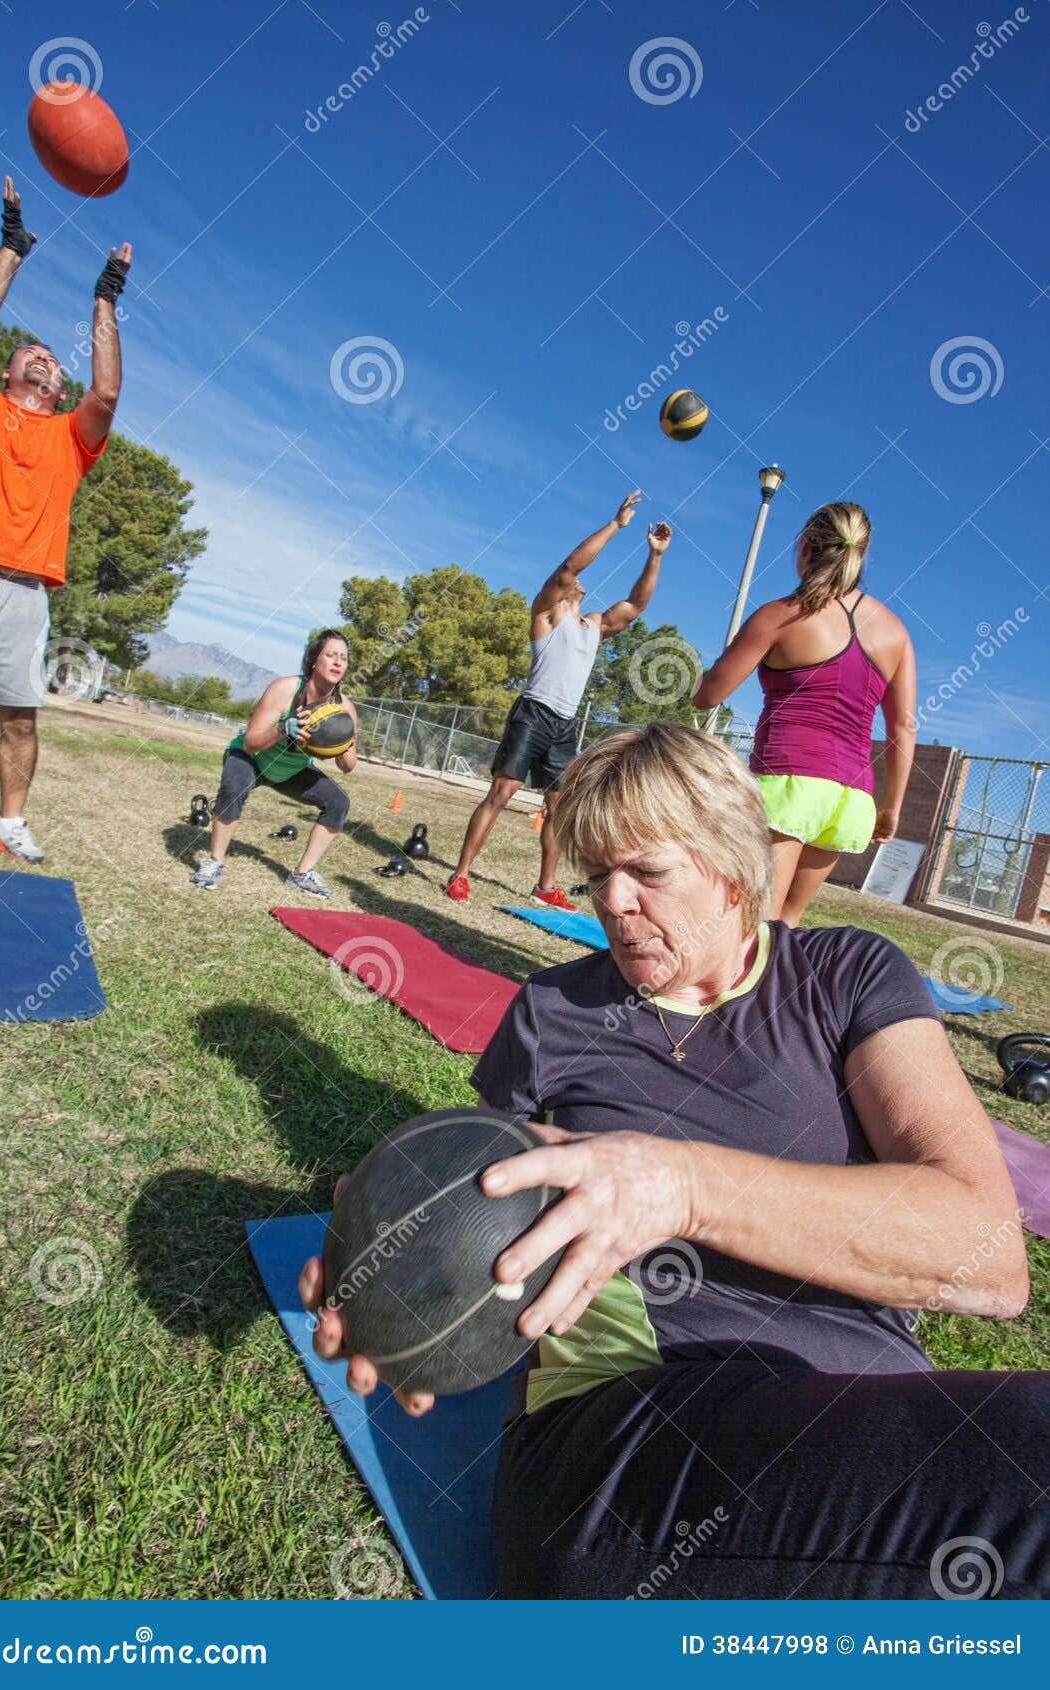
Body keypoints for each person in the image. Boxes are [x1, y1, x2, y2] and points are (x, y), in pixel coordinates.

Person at [300, 724, 1049, 1601]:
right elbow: (476, 1184)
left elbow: (988, 1259)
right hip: (632, 1446)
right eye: (593, 876)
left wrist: (678, 1187)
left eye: (646, 873)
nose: (610, 903)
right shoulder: (554, 1009)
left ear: (734, 866)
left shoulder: (847, 974)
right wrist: (391, 1250)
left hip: (870, 1413)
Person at [0, 177, 130, 863]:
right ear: (6, 370)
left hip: (22, 592)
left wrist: (105, 297)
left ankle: (10, 822)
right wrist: (11, 249)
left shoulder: (73, 437)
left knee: (18, 719)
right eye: (29, 352)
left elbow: (106, 389)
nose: (42, 353)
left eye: (51, 357)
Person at [692, 500, 915, 925]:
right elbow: (903, 724)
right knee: (786, 923)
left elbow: (709, 695)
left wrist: (701, 673)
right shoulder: (895, 630)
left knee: (754, 921)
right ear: (860, 554)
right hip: (853, 798)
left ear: (807, 546)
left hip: (789, 784)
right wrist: (891, 807)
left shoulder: (781, 615)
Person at [444, 489, 671, 907]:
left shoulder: (595, 626)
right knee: (501, 794)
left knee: (557, 808)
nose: (580, 582)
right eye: (574, 582)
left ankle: (545, 887)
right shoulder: (546, 614)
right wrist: (616, 525)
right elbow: (569, 566)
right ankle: (460, 876)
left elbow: (636, 604)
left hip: (564, 725)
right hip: (533, 714)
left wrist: (654, 555)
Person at [191, 630, 357, 898]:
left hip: (290, 769)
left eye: (344, 658)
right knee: (235, 786)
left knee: (338, 802)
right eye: (331, 655)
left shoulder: (344, 708)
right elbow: (250, 742)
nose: (338, 663)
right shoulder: (285, 689)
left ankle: (302, 874)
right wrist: (283, 729)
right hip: (252, 758)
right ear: (315, 660)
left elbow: (348, 766)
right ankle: (214, 862)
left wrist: (345, 739)